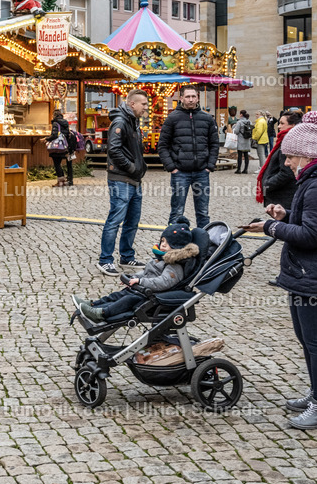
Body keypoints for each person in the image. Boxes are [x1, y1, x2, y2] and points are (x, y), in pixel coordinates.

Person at [242, 111, 317, 430]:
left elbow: (311, 235)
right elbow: (310, 218)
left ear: (306, 156)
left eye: (290, 157)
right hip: (305, 272)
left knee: (316, 340)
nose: (288, 164)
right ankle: (316, 392)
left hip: (315, 274)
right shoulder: (315, 181)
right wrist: (286, 213)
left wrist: (271, 227)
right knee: (306, 337)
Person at [77, 218, 199, 322]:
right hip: (143, 290)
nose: (162, 245)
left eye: (167, 244)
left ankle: (101, 313)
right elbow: (146, 272)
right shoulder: (161, 259)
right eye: (162, 241)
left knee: (126, 300)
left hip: (152, 296)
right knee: (118, 295)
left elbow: (163, 282)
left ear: (177, 246)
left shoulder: (175, 266)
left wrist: (141, 282)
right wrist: (133, 277)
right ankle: (93, 304)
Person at [97, 90, 149, 277]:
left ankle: (126, 256)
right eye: (143, 104)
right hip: (121, 179)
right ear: (132, 104)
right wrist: (132, 168)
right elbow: (114, 150)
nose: (146, 107)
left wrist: (140, 168)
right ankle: (105, 260)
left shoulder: (132, 121)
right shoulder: (120, 122)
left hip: (133, 179)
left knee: (132, 221)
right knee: (115, 220)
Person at [157, 85, 219, 226]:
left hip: (202, 172)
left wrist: (210, 166)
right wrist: (171, 167)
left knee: (203, 212)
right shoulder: (172, 118)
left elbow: (214, 144)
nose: (191, 100)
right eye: (187, 96)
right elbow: (162, 146)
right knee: (177, 211)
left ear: (197, 97)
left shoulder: (207, 119)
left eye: (193, 96)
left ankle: (204, 243)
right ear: (181, 98)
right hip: (180, 172)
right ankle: (172, 242)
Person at [256, 111, 303, 208]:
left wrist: (267, 184)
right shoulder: (284, 140)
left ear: (293, 125)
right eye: (279, 123)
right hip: (282, 197)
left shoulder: (288, 142)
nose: (278, 126)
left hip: (284, 198)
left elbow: (287, 173)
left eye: (282, 123)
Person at [45, 108, 74, 187]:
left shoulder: (55, 123)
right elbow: (67, 134)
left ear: (54, 115)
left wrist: (46, 139)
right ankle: (67, 180)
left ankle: (60, 181)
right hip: (64, 146)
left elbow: (54, 135)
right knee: (65, 163)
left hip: (57, 147)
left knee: (57, 163)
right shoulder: (65, 123)